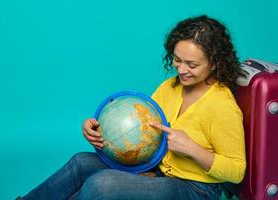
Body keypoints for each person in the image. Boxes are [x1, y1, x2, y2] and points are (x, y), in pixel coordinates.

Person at [18, 15, 246, 200]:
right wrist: (98, 130)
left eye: (192, 64)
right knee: (81, 162)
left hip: (196, 189)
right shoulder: (170, 87)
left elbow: (236, 172)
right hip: (159, 170)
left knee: (100, 186)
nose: (182, 70)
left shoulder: (222, 106)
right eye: (177, 60)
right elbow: (144, 129)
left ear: (215, 63)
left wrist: (193, 149)